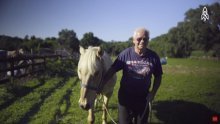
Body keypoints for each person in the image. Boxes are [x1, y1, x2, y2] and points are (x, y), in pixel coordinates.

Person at [100, 27, 163, 124]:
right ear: (133, 40)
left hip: (143, 99)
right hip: (125, 99)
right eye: (139, 39)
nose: (142, 41)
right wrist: (101, 84)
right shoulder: (125, 54)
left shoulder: (153, 57)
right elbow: (112, 70)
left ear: (148, 40)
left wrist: (153, 93)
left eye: (145, 39)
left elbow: (158, 76)